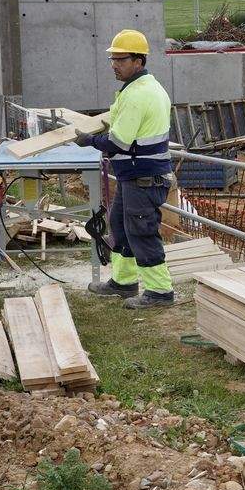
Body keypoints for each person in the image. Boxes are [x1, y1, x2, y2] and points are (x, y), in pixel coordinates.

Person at [76, 29, 175, 308]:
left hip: (143, 178)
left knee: (142, 231)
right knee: (120, 226)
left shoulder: (137, 95)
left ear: (138, 61)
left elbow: (118, 142)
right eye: (113, 59)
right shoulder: (141, 89)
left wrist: (90, 140)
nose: (114, 65)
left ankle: (160, 291)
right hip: (135, 177)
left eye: (120, 59)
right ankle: (124, 282)